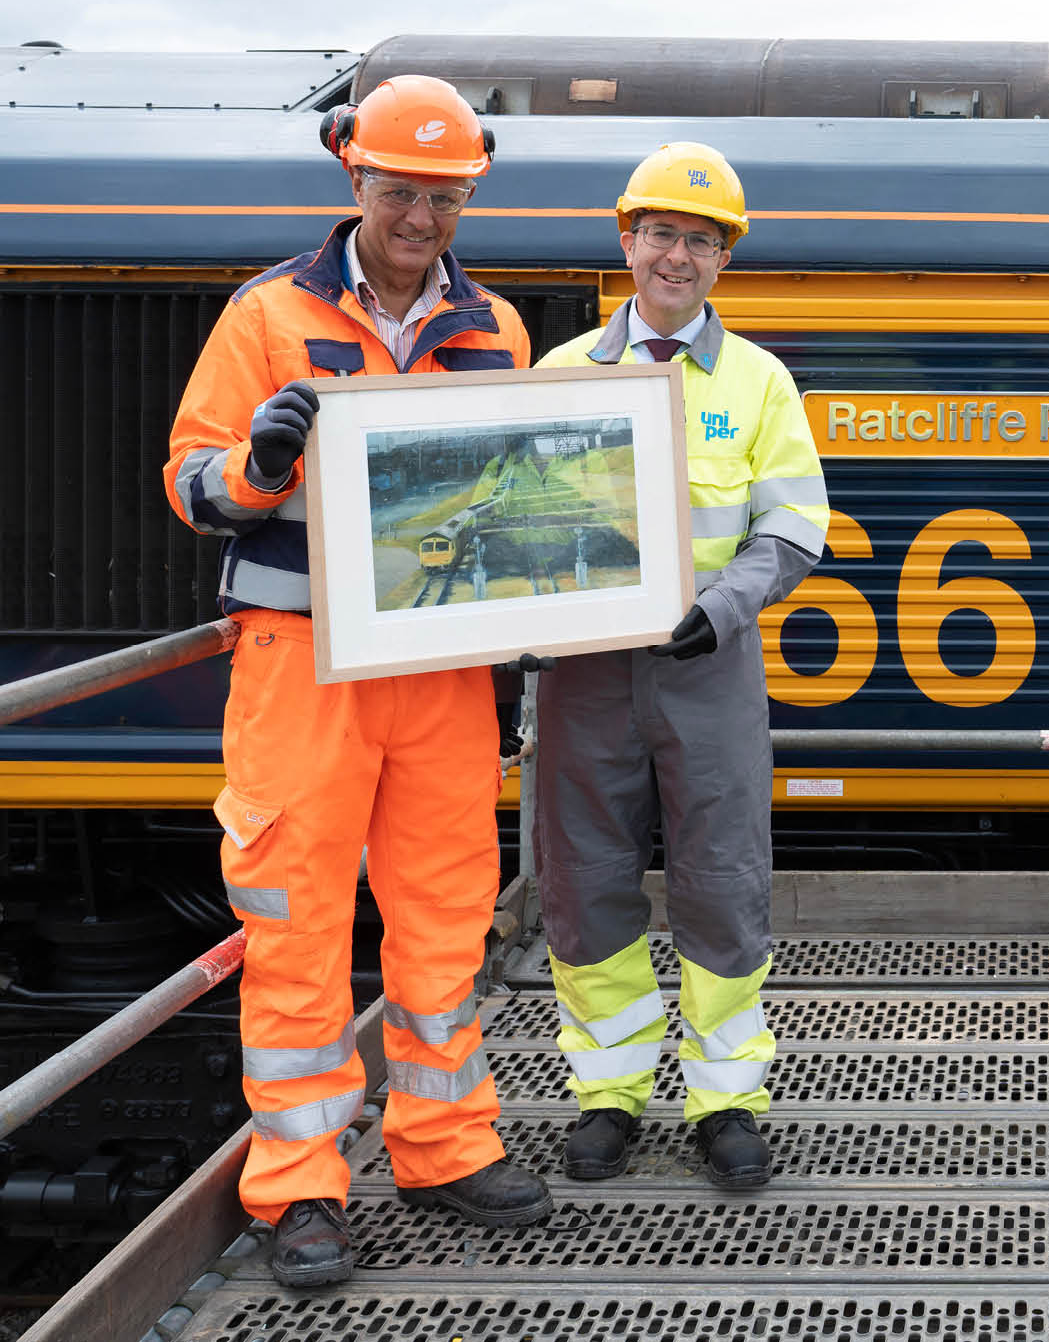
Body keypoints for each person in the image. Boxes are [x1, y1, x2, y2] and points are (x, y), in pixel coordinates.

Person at [163, 76, 550, 1288]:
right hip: (303, 664)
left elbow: (511, 497)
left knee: (447, 911)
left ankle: (444, 1143)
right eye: (400, 191)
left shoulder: (497, 330)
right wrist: (261, 464)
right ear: (355, 176)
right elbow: (190, 481)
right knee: (297, 924)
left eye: (446, 197)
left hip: (440, 666)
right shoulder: (265, 314)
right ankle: (299, 1186)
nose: (421, 217)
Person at [531, 142, 829, 1189]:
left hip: (709, 667)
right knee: (585, 878)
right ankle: (608, 1093)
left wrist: (721, 609)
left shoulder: (758, 381)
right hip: (584, 677)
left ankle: (726, 1100)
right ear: (627, 240)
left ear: (724, 258)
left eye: (702, 240)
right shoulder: (561, 376)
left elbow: (793, 526)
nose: (678, 256)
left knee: (721, 880)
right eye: (661, 232)